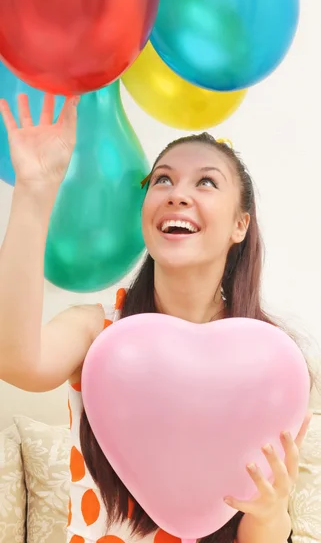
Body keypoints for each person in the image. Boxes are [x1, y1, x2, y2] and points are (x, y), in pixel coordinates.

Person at [0, 93, 311, 543]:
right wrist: (34, 191)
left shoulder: (269, 360)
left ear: (240, 225)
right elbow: (14, 359)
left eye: (205, 182)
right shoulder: (100, 332)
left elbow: (264, 529)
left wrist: (267, 511)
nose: (177, 194)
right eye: (162, 180)